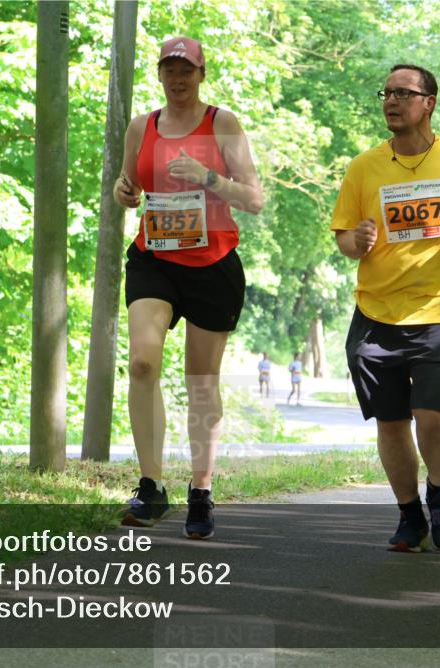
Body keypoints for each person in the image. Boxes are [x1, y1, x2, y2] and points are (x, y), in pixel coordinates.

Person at [331, 64, 440, 552]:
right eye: (387, 92)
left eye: (404, 93)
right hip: (376, 314)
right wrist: (355, 240)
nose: (392, 100)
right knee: (390, 422)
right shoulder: (364, 167)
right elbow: (344, 234)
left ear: (429, 102)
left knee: (432, 412)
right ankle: (409, 513)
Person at [114, 36, 263, 539]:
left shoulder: (222, 123)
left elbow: (254, 199)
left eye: (186, 71)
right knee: (142, 362)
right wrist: (124, 192)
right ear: (159, 75)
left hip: (212, 262)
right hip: (155, 258)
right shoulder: (143, 126)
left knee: (201, 380)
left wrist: (208, 177)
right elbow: (127, 185)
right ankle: (152, 485)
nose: (177, 80)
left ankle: (201, 489)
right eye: (168, 71)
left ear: (201, 74)